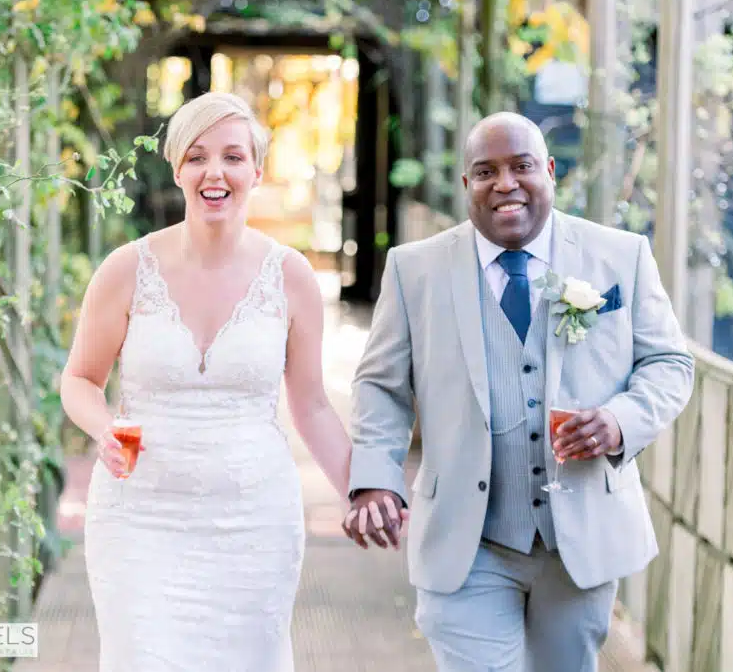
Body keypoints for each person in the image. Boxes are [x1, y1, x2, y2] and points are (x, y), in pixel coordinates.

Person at [343, 111, 694, 671]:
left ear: (549, 171)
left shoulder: (620, 256)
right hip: (465, 541)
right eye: (485, 171)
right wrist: (375, 481)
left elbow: (670, 362)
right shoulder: (415, 270)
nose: (504, 184)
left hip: (579, 538)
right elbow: (381, 386)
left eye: (521, 166)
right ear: (466, 186)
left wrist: (621, 420)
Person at [60, 91, 356, 671]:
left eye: (232, 157)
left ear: (256, 170)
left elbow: (314, 407)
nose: (214, 172)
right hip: (138, 520)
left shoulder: (291, 277)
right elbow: (78, 380)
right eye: (196, 157)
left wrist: (368, 490)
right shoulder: (126, 269)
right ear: (177, 169)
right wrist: (104, 427)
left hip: (253, 524)